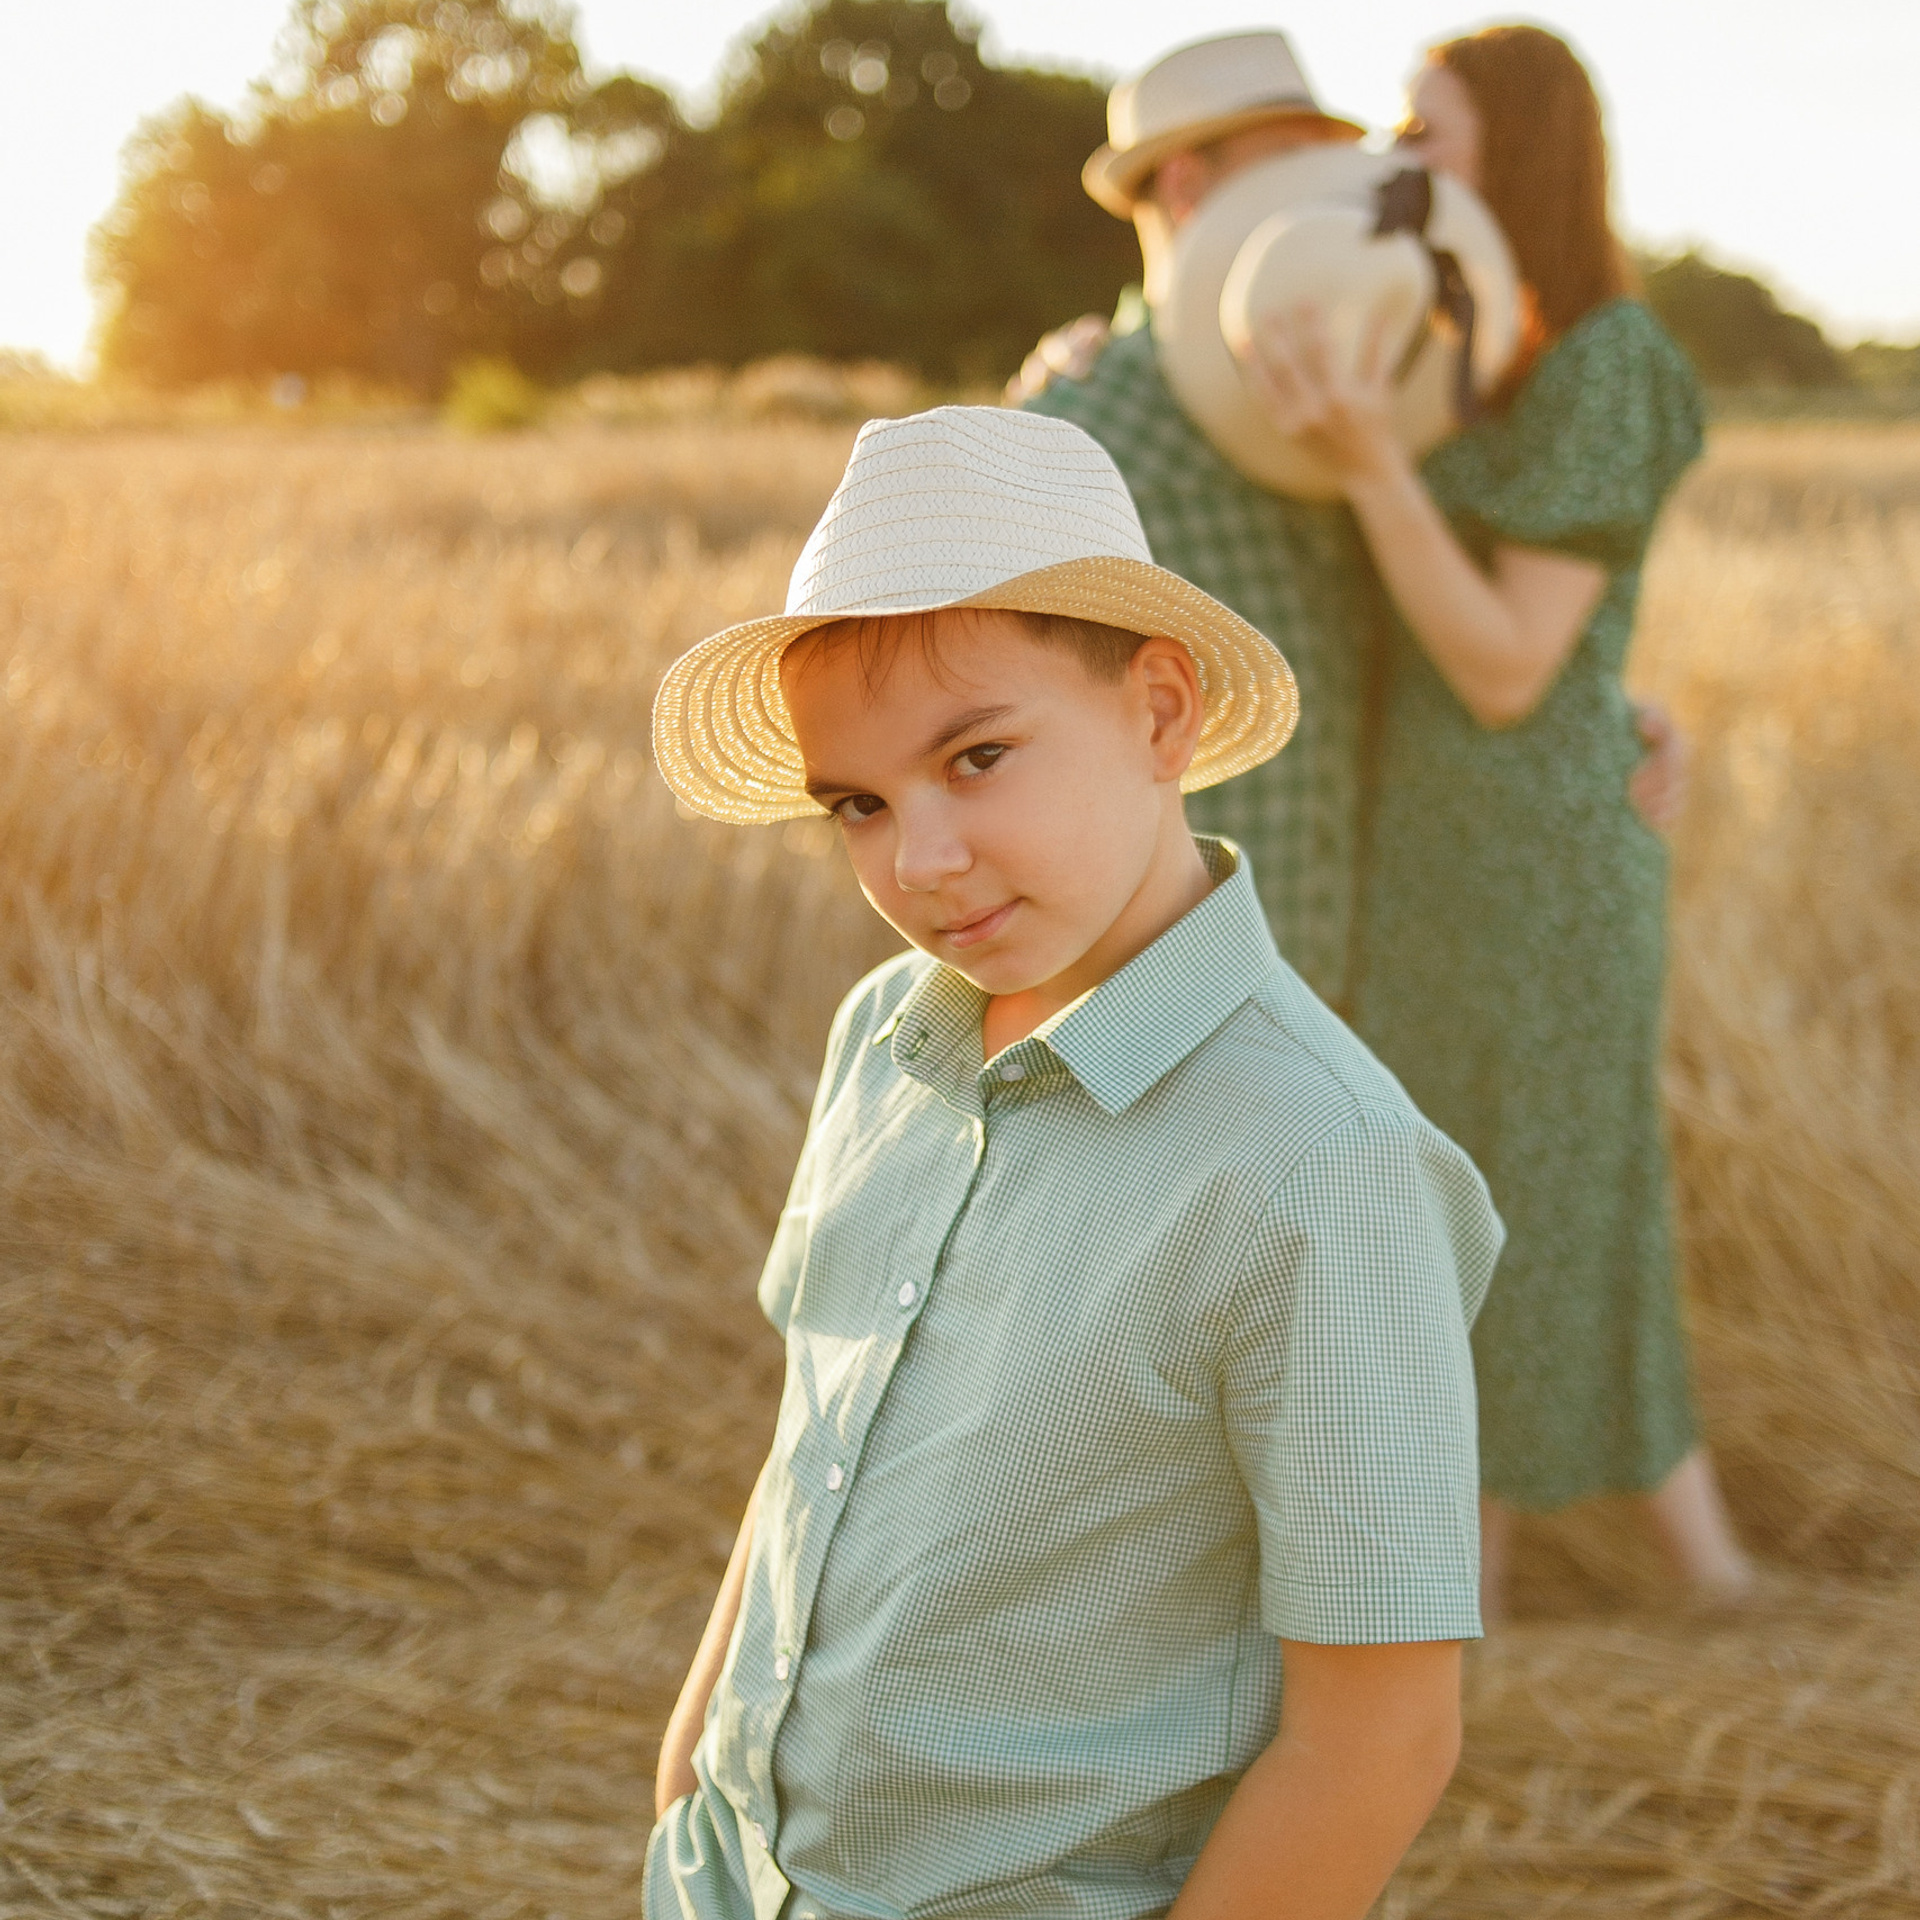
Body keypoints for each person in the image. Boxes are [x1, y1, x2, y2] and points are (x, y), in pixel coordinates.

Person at [644, 405, 1503, 1920]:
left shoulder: (1326, 1168)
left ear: (1162, 713)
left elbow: (1376, 1742)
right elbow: (814, 1442)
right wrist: (687, 1784)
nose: (920, 861)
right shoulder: (886, 1038)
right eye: (858, 805)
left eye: (977, 757)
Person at [1240, 24, 1753, 1616]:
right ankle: (1657, 1584)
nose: (1398, 157)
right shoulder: (1483, 351)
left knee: (1538, 1196)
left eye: (1428, 129)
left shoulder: (1609, 363)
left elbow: (1512, 666)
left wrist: (1376, 467)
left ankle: (1540, 1598)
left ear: (1516, 148)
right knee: (1478, 1202)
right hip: (1435, 856)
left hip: (1538, 861)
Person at [1018, 30, 1689, 1021]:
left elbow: (1483, 609)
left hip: (1383, 941)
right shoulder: (1083, 421)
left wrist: (1602, 709)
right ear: (1191, 185)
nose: (1344, 193)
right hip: (1195, 961)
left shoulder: (1371, 383)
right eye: (1292, 169)